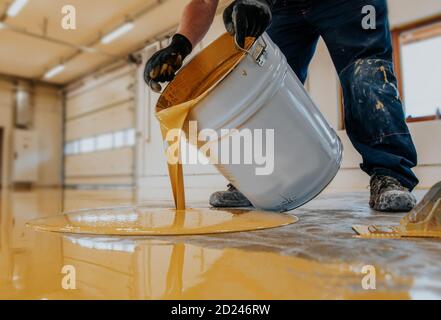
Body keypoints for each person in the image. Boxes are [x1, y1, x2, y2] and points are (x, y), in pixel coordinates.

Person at [144, 0, 419, 212]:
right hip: (283, 7)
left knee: (365, 70)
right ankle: (255, 182)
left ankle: (390, 173)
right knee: (256, 78)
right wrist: (179, 44)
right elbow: (204, 2)